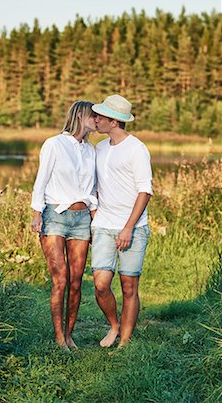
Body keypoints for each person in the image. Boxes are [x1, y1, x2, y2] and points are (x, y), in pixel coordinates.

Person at [31, 100, 97, 350]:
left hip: (81, 220)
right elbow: (42, 179)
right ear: (81, 116)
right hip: (55, 216)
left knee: (77, 281)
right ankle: (59, 338)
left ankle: (69, 334)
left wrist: (94, 213)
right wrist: (36, 213)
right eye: (94, 115)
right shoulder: (54, 144)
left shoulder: (91, 150)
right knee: (60, 279)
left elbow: (93, 189)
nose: (97, 120)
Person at [91, 94, 153, 349]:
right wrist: (95, 211)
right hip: (104, 225)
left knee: (129, 286)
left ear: (114, 122)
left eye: (100, 117)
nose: (95, 120)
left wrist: (128, 228)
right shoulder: (100, 148)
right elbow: (94, 185)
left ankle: (124, 342)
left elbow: (145, 191)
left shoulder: (137, 149)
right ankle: (114, 325)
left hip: (133, 229)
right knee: (100, 283)